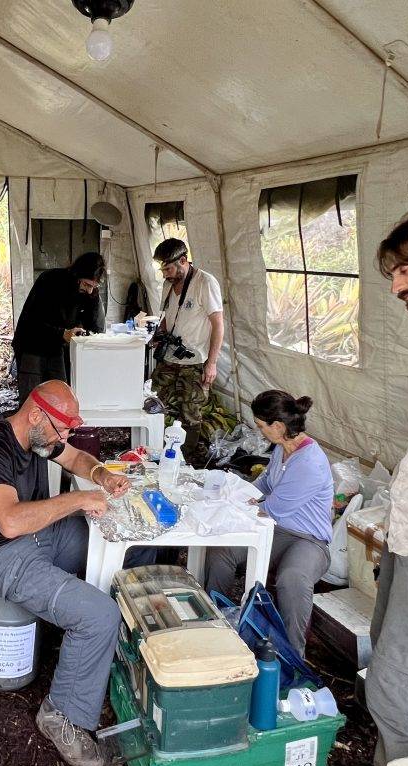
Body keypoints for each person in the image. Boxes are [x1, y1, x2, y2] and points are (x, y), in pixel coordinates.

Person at [0, 380, 155, 766]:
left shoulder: (39, 435)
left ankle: (112, 649)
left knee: (127, 542)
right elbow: (10, 522)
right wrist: (78, 499)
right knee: (99, 616)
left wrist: (101, 475)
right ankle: (62, 716)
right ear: (35, 416)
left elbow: (75, 457)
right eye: (61, 430)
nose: (64, 438)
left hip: (38, 537)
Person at [205, 390, 333, 656]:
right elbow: (265, 482)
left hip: (308, 539)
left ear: (278, 426)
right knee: (222, 551)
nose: (260, 431)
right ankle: (217, 621)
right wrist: (240, 493)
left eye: (261, 426)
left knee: (292, 578)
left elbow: (274, 508)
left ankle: (293, 656)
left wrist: (236, 507)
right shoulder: (282, 448)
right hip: (275, 528)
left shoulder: (309, 462)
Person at [365, 214, 408, 766]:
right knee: (385, 660)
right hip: (405, 538)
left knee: (395, 690)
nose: (398, 286)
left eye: (405, 268)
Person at [151, 238, 224, 462]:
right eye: (163, 270)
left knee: (191, 413)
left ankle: (188, 460)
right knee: (153, 403)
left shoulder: (204, 282)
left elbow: (218, 324)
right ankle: (155, 450)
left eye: (169, 269)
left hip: (195, 362)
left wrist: (211, 363)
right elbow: (167, 317)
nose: (166, 275)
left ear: (183, 261)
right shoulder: (168, 284)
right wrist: (159, 336)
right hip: (169, 358)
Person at [12, 252, 106, 404]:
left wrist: (88, 335)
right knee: (32, 399)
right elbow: (32, 322)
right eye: (86, 285)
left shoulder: (90, 293)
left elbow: (95, 325)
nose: (89, 290)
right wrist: (62, 333)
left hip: (57, 347)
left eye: (93, 286)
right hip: (32, 344)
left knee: (60, 397)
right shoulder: (50, 280)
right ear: (76, 275)